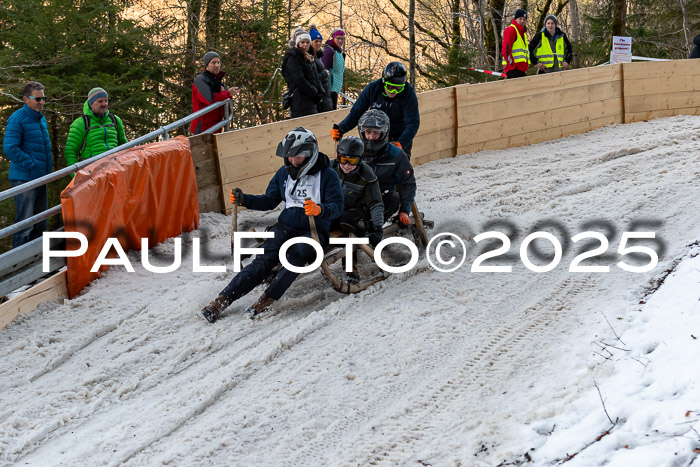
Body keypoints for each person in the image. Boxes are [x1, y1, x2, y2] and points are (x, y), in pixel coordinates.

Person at [201, 127, 343, 323]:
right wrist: (245, 200)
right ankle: (222, 300)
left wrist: (320, 210)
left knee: (298, 253)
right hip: (285, 227)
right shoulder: (283, 174)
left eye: (298, 157)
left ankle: (266, 299)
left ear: (310, 153)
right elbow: (269, 200)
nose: (293, 161)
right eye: (290, 157)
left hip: (313, 230)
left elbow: (338, 206)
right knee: (264, 259)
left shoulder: (328, 175)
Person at [331, 62, 420, 157]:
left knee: (399, 165)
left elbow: (413, 122)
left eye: (398, 88)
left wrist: (401, 143)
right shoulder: (372, 89)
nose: (394, 91)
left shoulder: (408, 93)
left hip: (398, 136)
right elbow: (356, 113)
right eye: (390, 87)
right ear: (383, 82)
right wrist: (341, 128)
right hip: (375, 136)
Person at [3, 81, 52, 248]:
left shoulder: (40, 118)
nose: (42, 102)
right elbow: (10, 148)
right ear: (26, 99)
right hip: (24, 179)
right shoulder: (18, 119)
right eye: (37, 99)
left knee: (41, 222)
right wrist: (31, 164)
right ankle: (19, 266)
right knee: (25, 224)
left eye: (43, 98)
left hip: (41, 178)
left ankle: (37, 261)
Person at [331, 136, 384, 282]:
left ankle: (350, 267)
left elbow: (375, 202)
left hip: (356, 212)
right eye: (343, 159)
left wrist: (378, 227)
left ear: (360, 159)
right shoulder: (330, 169)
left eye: (352, 161)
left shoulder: (366, 174)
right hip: (334, 210)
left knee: (347, 220)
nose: (346, 165)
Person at [357, 109, 416, 226]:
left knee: (393, 198)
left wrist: (404, 210)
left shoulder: (396, 155)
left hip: (383, 197)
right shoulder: (356, 150)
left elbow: (409, 183)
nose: (370, 137)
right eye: (368, 132)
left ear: (383, 133)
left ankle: (373, 227)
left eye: (375, 133)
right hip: (358, 196)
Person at [64, 87, 128, 172]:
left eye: (106, 100)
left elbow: (124, 145)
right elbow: (70, 151)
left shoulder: (115, 120)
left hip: (115, 168)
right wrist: (76, 175)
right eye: (100, 101)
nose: (104, 104)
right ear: (91, 104)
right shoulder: (81, 123)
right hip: (92, 171)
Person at [191, 51, 240, 135]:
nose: (217, 65)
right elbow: (209, 99)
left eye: (218, 62)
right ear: (206, 65)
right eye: (213, 63)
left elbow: (226, 104)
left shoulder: (217, 81)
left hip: (216, 128)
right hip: (202, 129)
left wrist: (226, 93)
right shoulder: (200, 80)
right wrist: (228, 93)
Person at [282, 28, 326, 118]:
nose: (305, 45)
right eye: (302, 42)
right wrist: (314, 92)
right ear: (298, 43)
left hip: (311, 100)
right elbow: (299, 79)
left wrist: (320, 91)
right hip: (300, 100)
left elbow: (315, 77)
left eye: (307, 42)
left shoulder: (309, 57)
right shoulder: (294, 57)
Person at [309, 24, 333, 113]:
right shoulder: (310, 57)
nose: (318, 43)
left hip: (325, 92)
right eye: (316, 41)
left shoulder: (319, 56)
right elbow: (311, 76)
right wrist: (324, 74)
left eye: (320, 41)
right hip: (317, 95)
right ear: (311, 42)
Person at [321, 28, 346, 110]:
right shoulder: (329, 50)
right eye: (338, 38)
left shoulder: (338, 51)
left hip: (335, 88)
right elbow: (324, 69)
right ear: (333, 38)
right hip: (329, 88)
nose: (340, 41)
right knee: (329, 113)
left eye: (342, 38)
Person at [502, 9, 530, 79]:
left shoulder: (523, 33)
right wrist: (512, 66)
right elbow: (506, 50)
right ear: (516, 19)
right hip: (513, 69)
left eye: (524, 19)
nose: (522, 21)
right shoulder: (511, 30)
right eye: (520, 19)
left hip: (521, 69)